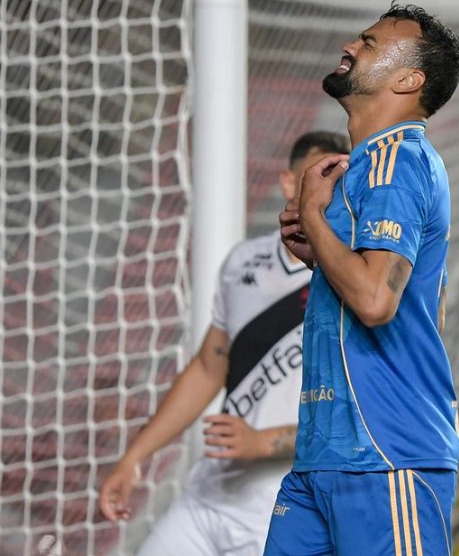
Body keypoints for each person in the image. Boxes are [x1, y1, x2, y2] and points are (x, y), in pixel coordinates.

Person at [267, 3, 459, 555]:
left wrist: (312, 216)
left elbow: (376, 301)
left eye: (370, 44)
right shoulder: (365, 169)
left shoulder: (397, 161)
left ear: (409, 79)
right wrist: (321, 252)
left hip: (386, 456)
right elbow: (418, 302)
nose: (351, 47)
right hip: (325, 455)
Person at [99, 131, 350, 556]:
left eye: (341, 181)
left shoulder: (356, 280)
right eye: (321, 176)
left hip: (284, 508)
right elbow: (207, 368)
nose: (333, 191)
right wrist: (136, 456)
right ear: (289, 184)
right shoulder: (242, 262)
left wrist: (263, 441)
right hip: (208, 494)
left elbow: (354, 415)